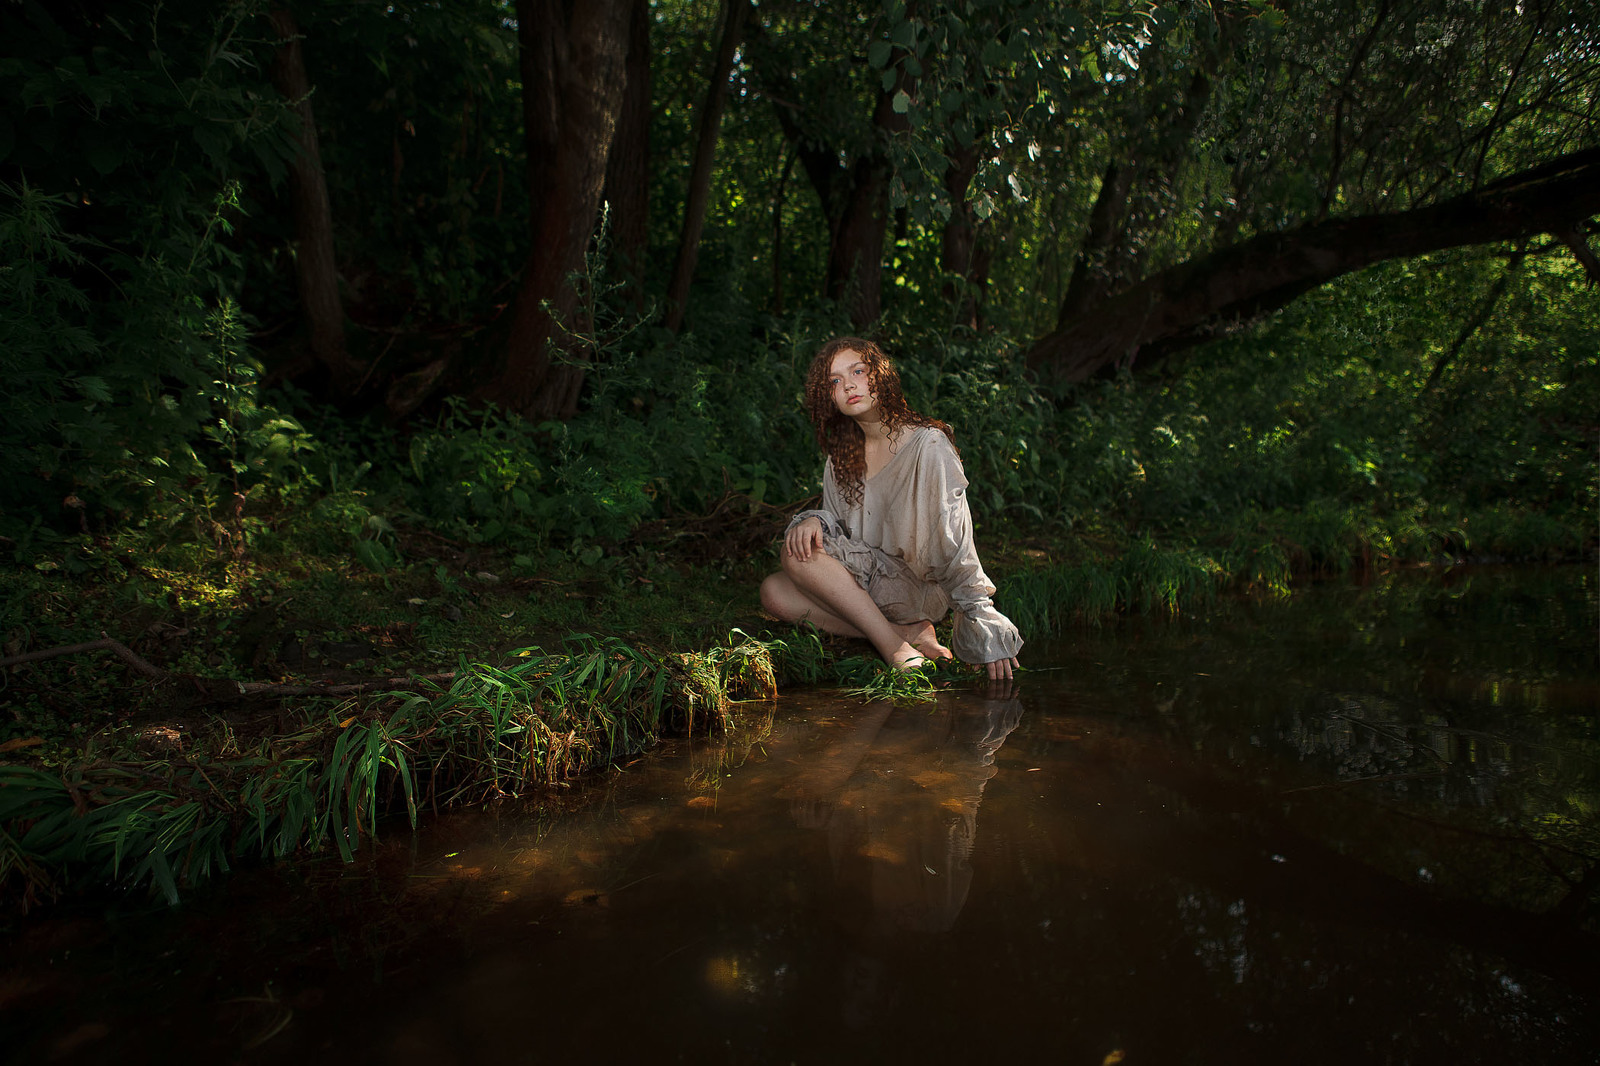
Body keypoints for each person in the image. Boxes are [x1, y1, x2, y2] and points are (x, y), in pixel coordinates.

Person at [760, 337, 1023, 679]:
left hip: (918, 589)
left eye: (858, 371)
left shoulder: (927, 444)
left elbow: (955, 540)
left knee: (795, 558)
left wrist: (979, 615)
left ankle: (893, 647)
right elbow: (838, 532)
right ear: (829, 397)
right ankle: (908, 634)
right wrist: (813, 521)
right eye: (835, 381)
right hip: (865, 580)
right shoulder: (840, 459)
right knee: (774, 592)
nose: (848, 385)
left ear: (880, 376)